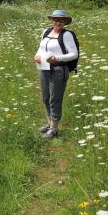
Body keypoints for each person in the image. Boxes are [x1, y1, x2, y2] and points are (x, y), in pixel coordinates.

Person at [34, 10, 78, 139]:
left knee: (55, 99)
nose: (58, 22)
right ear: (52, 20)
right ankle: (49, 124)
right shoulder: (46, 32)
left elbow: (73, 54)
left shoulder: (67, 35)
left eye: (61, 20)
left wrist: (57, 58)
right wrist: (37, 55)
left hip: (58, 70)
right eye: (55, 19)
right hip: (44, 67)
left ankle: (54, 128)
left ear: (65, 22)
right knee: (46, 98)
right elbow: (41, 48)